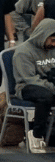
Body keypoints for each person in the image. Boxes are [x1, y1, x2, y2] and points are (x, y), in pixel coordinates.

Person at [13, 18, 55, 146]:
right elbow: (29, 79)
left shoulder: (53, 49)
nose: (54, 44)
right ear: (43, 35)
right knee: (45, 97)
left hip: (49, 84)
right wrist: (52, 87)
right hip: (27, 87)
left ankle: (51, 133)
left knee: (48, 94)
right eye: (52, 40)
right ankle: (35, 134)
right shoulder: (23, 52)